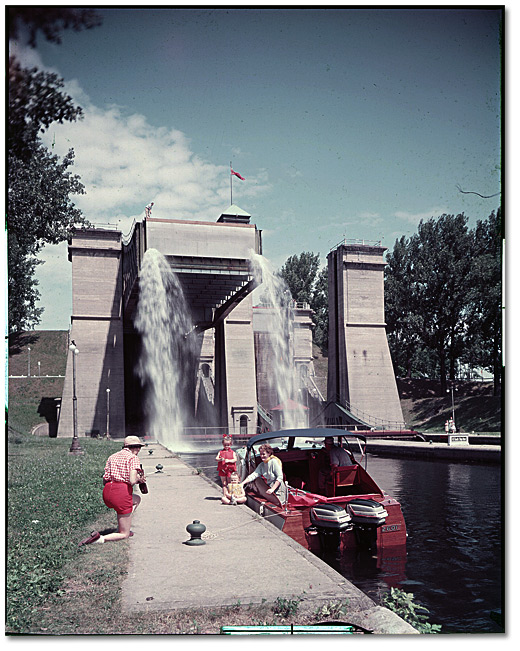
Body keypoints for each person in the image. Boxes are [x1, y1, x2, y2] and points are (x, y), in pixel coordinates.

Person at [78, 435, 147, 546]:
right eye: (138, 447)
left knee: (136, 499)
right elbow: (132, 480)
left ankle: (123, 523)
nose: (139, 450)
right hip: (121, 493)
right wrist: (140, 479)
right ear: (132, 447)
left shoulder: (112, 456)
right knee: (124, 534)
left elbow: (105, 479)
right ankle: (99, 539)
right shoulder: (133, 458)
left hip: (107, 492)